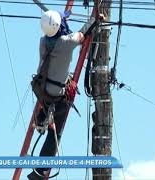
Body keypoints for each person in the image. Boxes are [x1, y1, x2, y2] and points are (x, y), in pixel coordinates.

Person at [28, 10, 103, 180]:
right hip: (56, 92)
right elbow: (83, 32)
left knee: (48, 103)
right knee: (56, 134)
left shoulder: (43, 41)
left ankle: (42, 116)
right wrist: (95, 19)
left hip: (41, 87)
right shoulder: (66, 42)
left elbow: (56, 30)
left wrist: (63, 16)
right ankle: (41, 170)